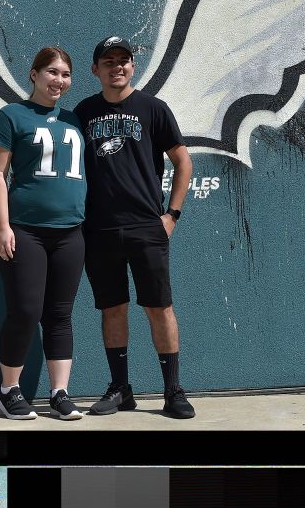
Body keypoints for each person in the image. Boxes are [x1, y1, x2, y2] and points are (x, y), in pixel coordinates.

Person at [73, 36, 196, 419]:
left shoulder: (153, 109)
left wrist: (171, 215)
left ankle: (173, 391)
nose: (117, 67)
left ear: (132, 66)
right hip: (100, 229)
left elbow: (183, 161)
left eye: (123, 60)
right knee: (113, 309)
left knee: (160, 308)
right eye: (108, 61)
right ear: (95, 70)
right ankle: (120, 389)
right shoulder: (83, 112)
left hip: (146, 226)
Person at [0, 46, 88, 420]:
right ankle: (8, 390)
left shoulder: (75, 121)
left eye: (65, 74)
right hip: (25, 231)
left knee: (60, 314)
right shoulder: (12, 116)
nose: (59, 80)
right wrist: (2, 226)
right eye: (52, 72)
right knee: (25, 311)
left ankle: (60, 392)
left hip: (71, 233)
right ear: (33, 74)